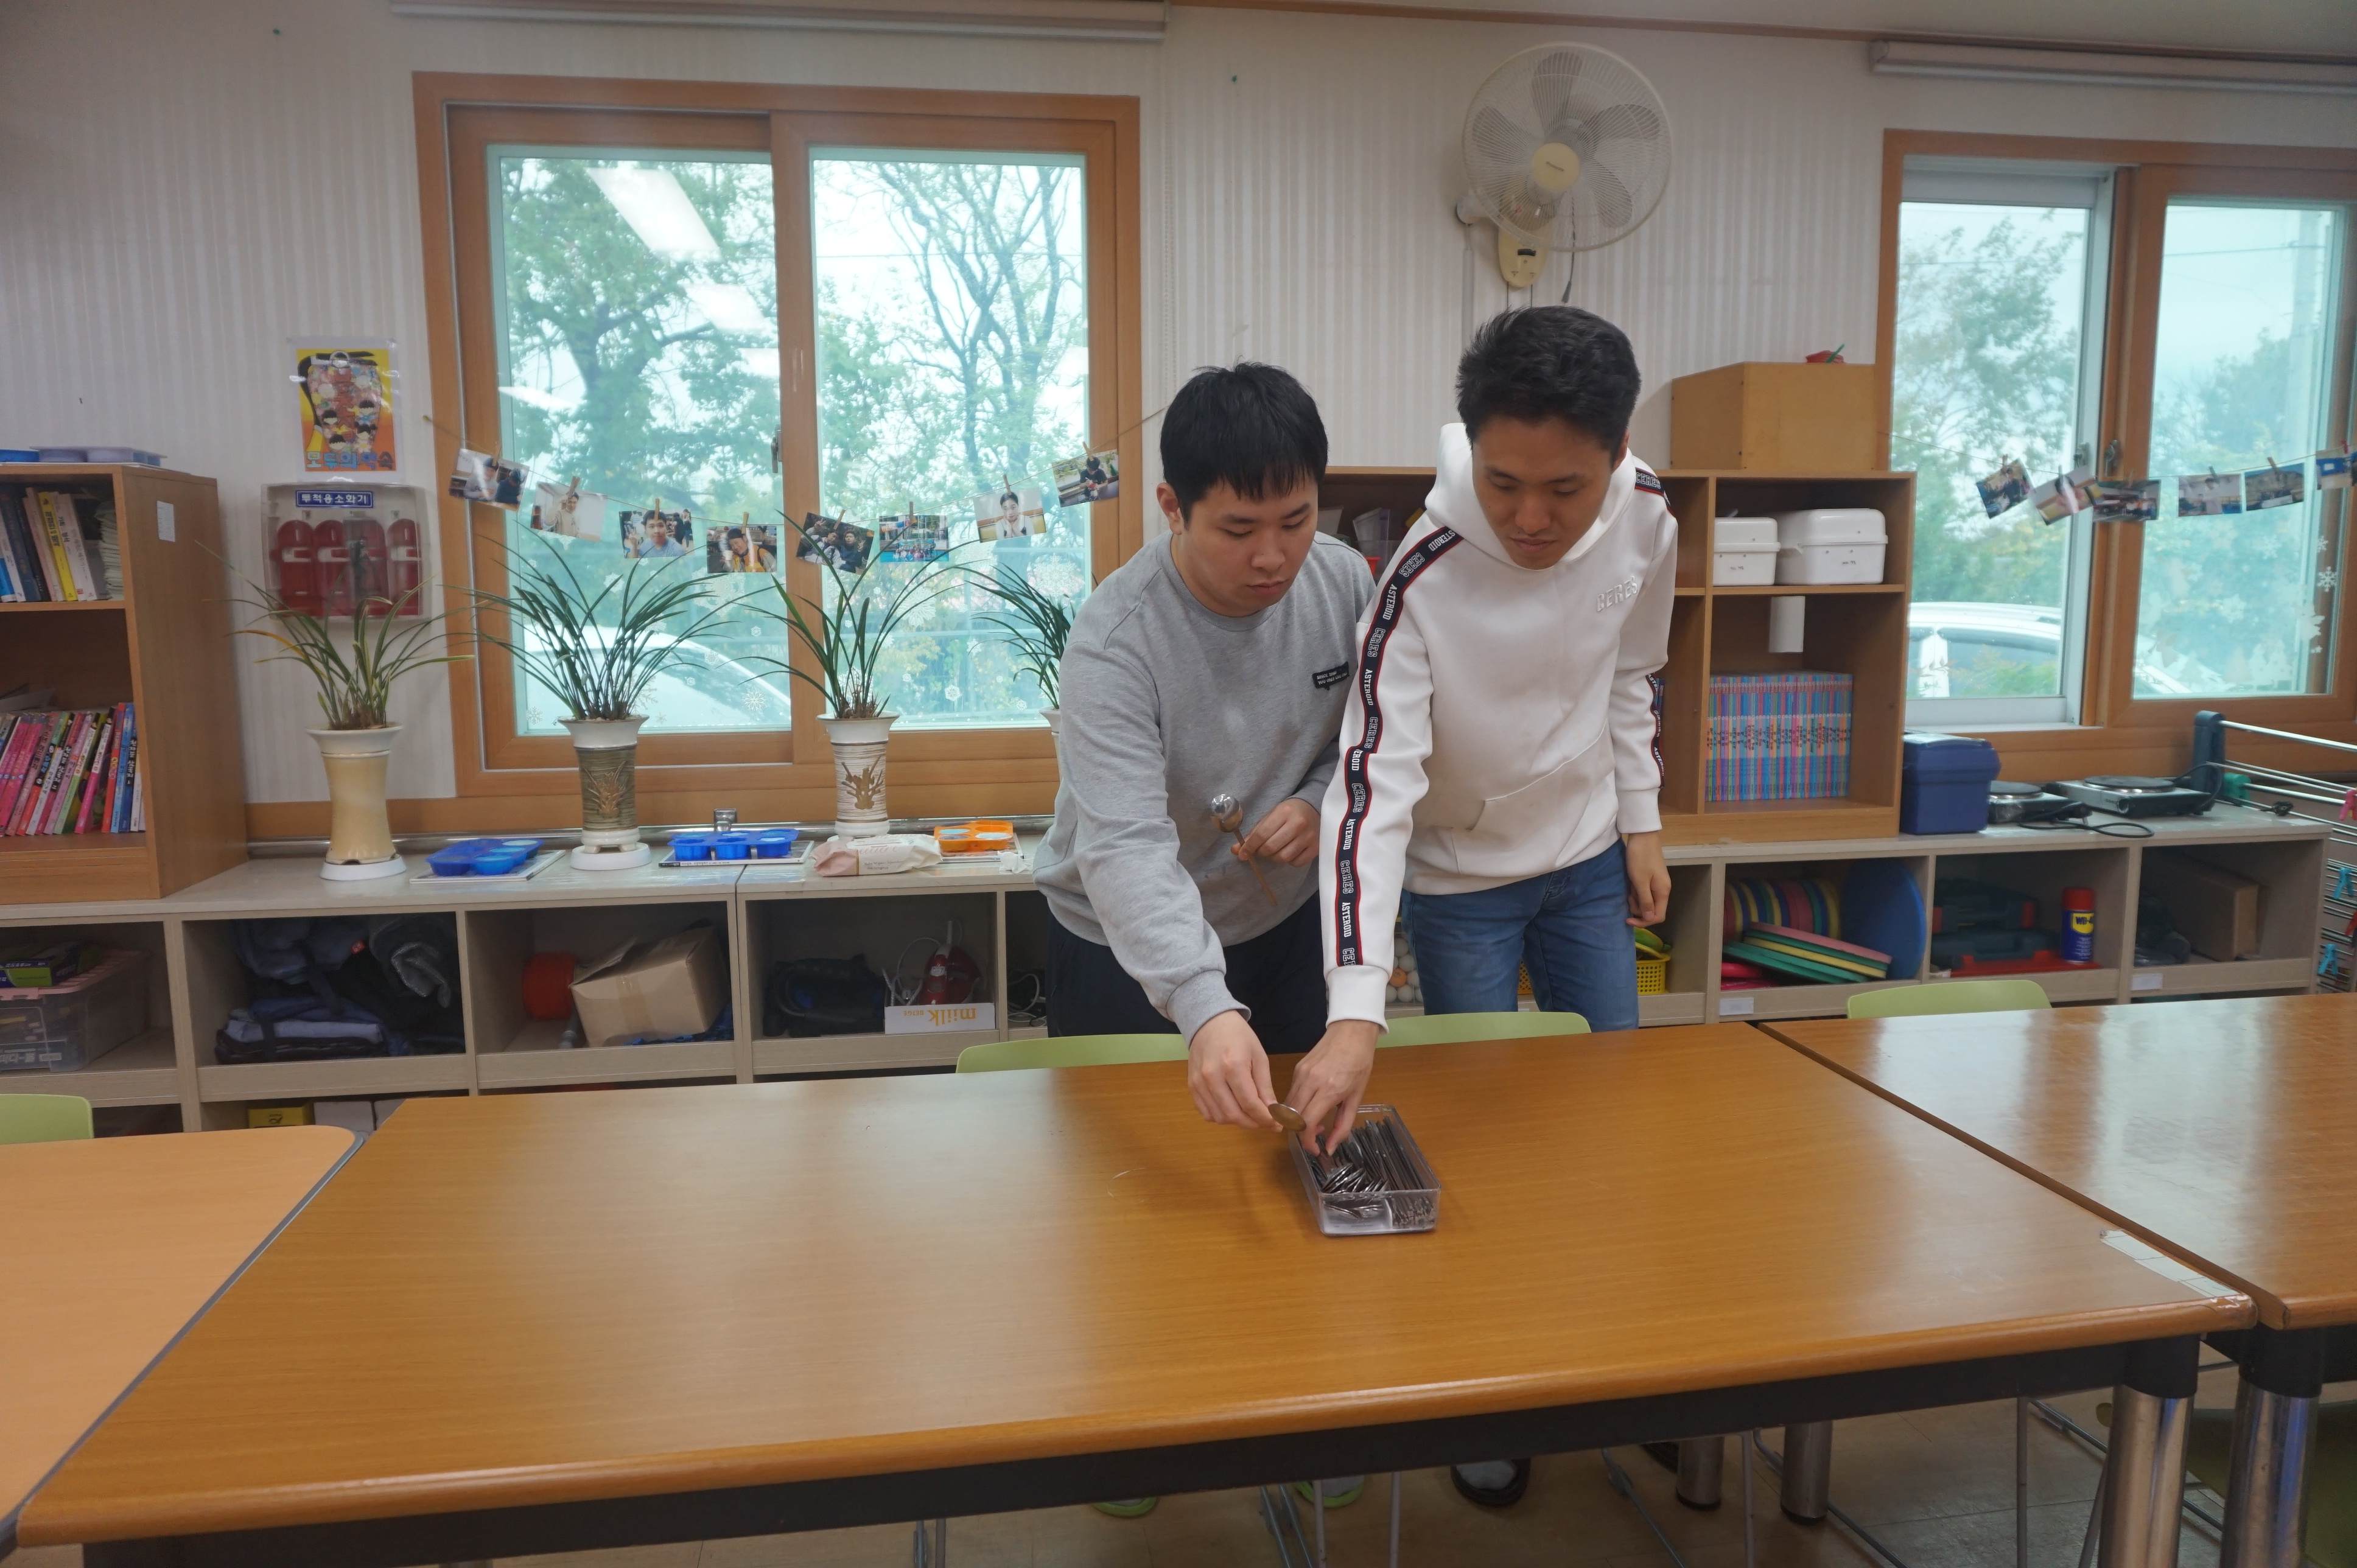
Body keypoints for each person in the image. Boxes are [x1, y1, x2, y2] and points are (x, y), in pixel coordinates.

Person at [1298, 307, 1676, 1510]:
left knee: (1609, 1128)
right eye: (1504, 483)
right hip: (1461, 885)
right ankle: (1493, 1392)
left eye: (1565, 489)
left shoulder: (1648, 514)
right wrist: (1355, 1009)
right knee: (1487, 1150)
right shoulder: (1418, 575)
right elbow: (1369, 799)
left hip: (1585, 858)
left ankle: (1626, 1372)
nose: (1531, 517)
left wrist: (1641, 816)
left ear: (1617, 456)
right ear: (1472, 450)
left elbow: (1633, 670)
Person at [1030, 362, 1375, 1517]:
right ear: (1172, 507)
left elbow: (1374, 743)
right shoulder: (1115, 640)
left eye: (1296, 519)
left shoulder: (1344, 581)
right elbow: (1125, 847)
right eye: (1239, 530)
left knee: (1292, 1178)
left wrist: (1320, 797)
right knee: (1138, 1204)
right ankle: (1128, 1434)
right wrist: (1200, 1002)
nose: (1274, 556)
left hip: (1276, 924)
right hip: (1119, 947)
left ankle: (1299, 1407)